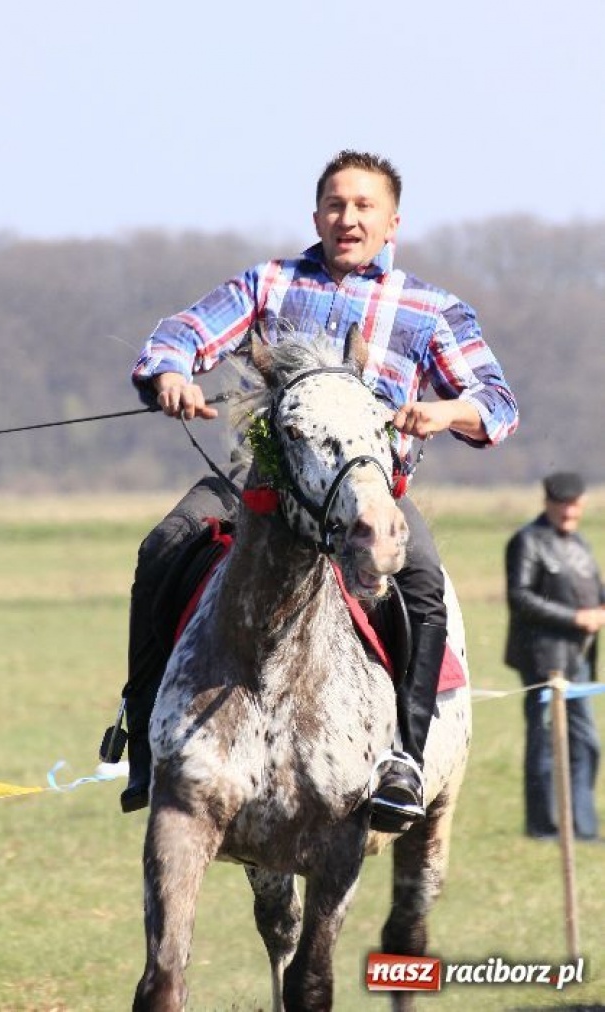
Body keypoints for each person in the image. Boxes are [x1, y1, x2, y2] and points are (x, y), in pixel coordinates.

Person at [106, 149, 519, 827]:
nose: (347, 218)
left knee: (420, 581)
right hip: (257, 486)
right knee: (164, 544)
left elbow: (496, 403)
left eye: (364, 208)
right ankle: (146, 729)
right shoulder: (268, 284)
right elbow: (183, 332)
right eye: (335, 205)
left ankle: (404, 763)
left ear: (392, 223)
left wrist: (443, 411)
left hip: (369, 493)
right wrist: (170, 374)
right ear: (316, 214)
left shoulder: (431, 309)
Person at [505, 471, 605, 841]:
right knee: (545, 742)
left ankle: (583, 828)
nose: (568, 511)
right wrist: (576, 617)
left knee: (586, 742)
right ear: (548, 502)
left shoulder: (579, 544)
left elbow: (593, 589)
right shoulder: (527, 542)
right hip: (543, 658)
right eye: (562, 504)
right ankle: (543, 827)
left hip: (578, 658)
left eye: (574, 504)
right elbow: (521, 597)